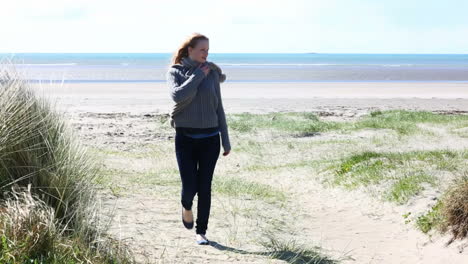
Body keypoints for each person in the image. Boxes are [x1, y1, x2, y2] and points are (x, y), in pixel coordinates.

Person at [166, 33, 231, 245]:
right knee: (189, 186)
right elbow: (177, 96)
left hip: (210, 138)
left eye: (208, 50)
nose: (206, 54)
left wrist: (226, 139)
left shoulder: (211, 73)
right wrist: (197, 76)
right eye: (202, 49)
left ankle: (201, 232)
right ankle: (186, 206)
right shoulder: (175, 72)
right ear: (190, 50)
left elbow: (218, 107)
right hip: (185, 138)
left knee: (205, 186)